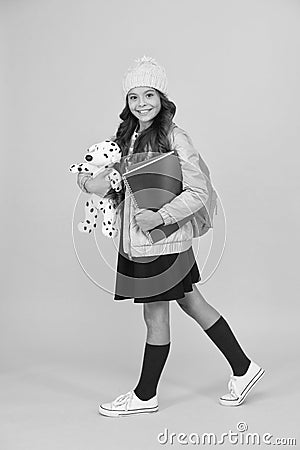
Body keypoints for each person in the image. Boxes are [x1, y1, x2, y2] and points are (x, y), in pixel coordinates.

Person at [77, 56, 265, 418]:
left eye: (149, 94)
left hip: (161, 240)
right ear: (126, 102)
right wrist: (90, 180)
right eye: (134, 97)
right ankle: (244, 369)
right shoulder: (128, 139)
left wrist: (159, 217)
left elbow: (198, 191)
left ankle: (145, 395)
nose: (142, 103)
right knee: (192, 302)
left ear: (162, 98)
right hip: (143, 241)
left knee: (155, 317)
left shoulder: (176, 136)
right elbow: (129, 189)